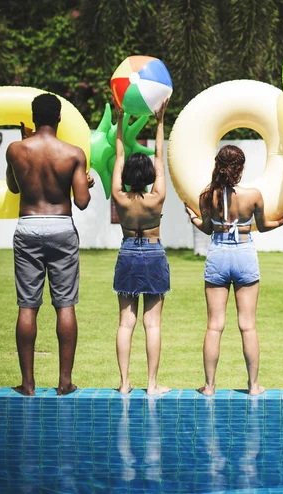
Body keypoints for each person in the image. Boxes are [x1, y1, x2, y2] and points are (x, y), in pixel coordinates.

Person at [185, 145, 283, 396]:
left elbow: (208, 229)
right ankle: (254, 386)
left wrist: (192, 218)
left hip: (218, 254)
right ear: (241, 168)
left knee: (214, 326)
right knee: (248, 325)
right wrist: (282, 221)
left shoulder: (206, 196)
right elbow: (264, 227)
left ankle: (209, 387)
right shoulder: (253, 195)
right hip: (244, 255)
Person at [5, 93, 95, 396]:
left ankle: (28, 384)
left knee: (27, 306)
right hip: (61, 228)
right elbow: (81, 202)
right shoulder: (73, 153)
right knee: (65, 304)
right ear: (59, 118)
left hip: (28, 226)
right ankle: (65, 382)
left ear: (33, 118)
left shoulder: (15, 150)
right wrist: (86, 181)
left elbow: (14, 186)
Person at [112, 100, 171, 395]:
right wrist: (160, 121)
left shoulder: (119, 197)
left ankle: (124, 384)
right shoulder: (157, 196)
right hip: (153, 252)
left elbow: (120, 153)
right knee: (153, 324)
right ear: (148, 175)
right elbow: (160, 157)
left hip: (127, 253)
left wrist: (120, 119)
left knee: (126, 322)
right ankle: (151, 384)